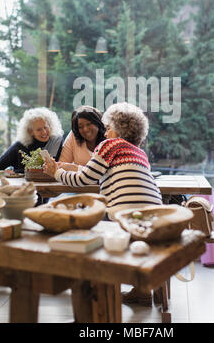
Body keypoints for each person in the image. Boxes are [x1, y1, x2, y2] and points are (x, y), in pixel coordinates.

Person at [43, 102, 162, 306]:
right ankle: (141, 291)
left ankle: (97, 288)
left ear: (118, 129)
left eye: (108, 128)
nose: (105, 133)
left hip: (123, 214)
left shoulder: (109, 145)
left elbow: (83, 179)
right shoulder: (140, 153)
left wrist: (56, 173)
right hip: (155, 215)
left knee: (86, 226)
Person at [0, 107, 64, 179]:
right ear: (30, 132)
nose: (44, 132)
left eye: (46, 127)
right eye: (39, 129)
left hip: (49, 188)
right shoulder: (20, 145)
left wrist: (15, 171)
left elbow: (51, 168)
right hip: (22, 188)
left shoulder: (55, 141)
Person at [57, 106, 106, 171]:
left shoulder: (109, 136)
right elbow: (61, 166)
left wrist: (77, 168)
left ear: (98, 123)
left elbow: (108, 172)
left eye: (88, 124)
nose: (85, 129)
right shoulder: (74, 135)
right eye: (80, 127)